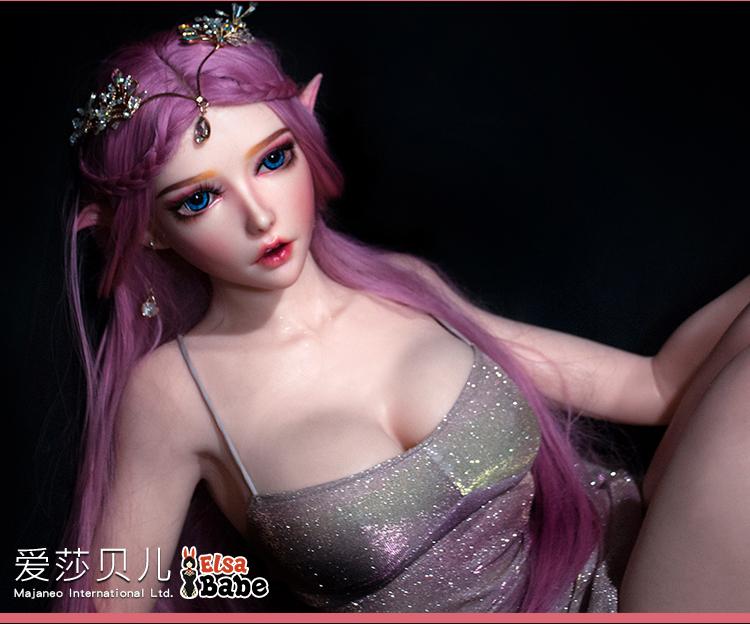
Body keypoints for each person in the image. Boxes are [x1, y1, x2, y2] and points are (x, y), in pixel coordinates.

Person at [56, 4, 750, 613]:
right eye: (200, 199)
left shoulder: (404, 286)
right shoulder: (174, 394)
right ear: (149, 229)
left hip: (630, 573)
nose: (260, 216)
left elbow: (654, 385)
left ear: (307, 130)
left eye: (273, 160)